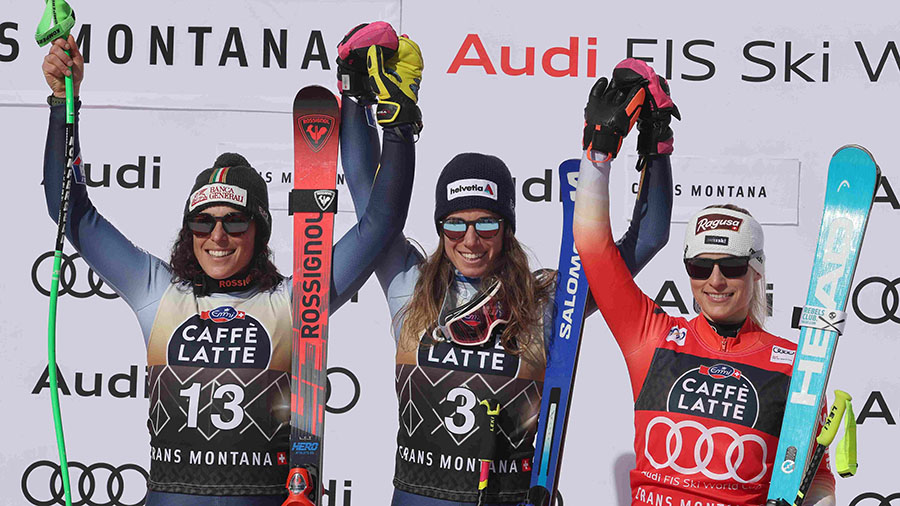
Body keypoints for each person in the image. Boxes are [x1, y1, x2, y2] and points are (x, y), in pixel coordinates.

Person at [40, 35, 416, 505]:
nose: (217, 236)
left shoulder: (293, 301)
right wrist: (63, 102)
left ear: (259, 231)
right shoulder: (158, 291)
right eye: (203, 221)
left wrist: (398, 127)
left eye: (235, 222)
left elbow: (381, 224)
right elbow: (70, 210)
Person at [335, 25, 674, 506]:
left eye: (487, 224)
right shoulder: (411, 286)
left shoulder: (546, 302)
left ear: (508, 228)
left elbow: (649, 237)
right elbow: (368, 198)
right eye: (455, 225)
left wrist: (654, 143)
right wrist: (355, 93)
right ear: (440, 228)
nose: (470, 240)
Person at [572, 60, 836, 506]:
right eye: (700, 267)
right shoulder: (653, 337)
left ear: (756, 271)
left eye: (731, 266)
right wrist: (597, 154)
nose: (715, 280)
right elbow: (593, 247)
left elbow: (818, 478)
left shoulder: (795, 366)